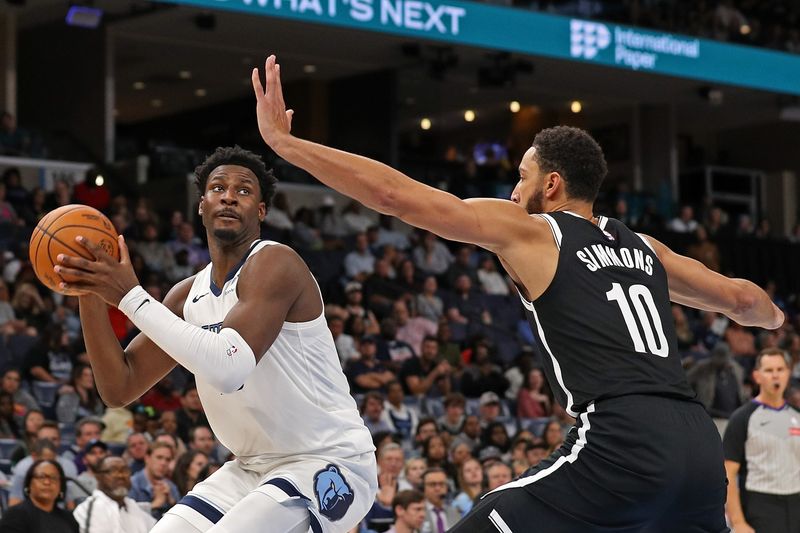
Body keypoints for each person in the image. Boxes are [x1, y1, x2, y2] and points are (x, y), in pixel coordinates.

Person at [252, 56, 783, 530]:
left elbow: (396, 196)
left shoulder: (534, 230)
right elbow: (745, 304)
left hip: (621, 440)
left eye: (521, 177)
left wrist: (288, 146)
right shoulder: (645, 246)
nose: (513, 190)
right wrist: (776, 319)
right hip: (698, 449)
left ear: (550, 185)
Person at [58, 145, 377, 532]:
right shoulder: (187, 295)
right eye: (218, 188)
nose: (229, 195)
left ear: (261, 211)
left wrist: (130, 296)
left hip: (328, 460)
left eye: (244, 190)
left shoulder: (277, 263)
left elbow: (229, 367)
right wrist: (89, 291)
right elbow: (118, 387)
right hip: (251, 468)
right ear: (201, 205)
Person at [722, 348, 800, 533]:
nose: (776, 376)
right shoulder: (742, 418)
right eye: (769, 370)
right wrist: (738, 521)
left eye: (780, 370)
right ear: (757, 376)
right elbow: (728, 474)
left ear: (788, 373)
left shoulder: (796, 416)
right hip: (760, 506)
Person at [73, 455, 157, 533]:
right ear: (98, 476)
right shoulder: (87, 508)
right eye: (113, 470)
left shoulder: (134, 507)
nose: (120, 475)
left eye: (125, 470)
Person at [0, 459, 79, 532]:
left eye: (53, 478)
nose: (47, 482)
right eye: (41, 477)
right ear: (29, 484)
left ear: (61, 486)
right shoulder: (15, 515)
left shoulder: (69, 518)